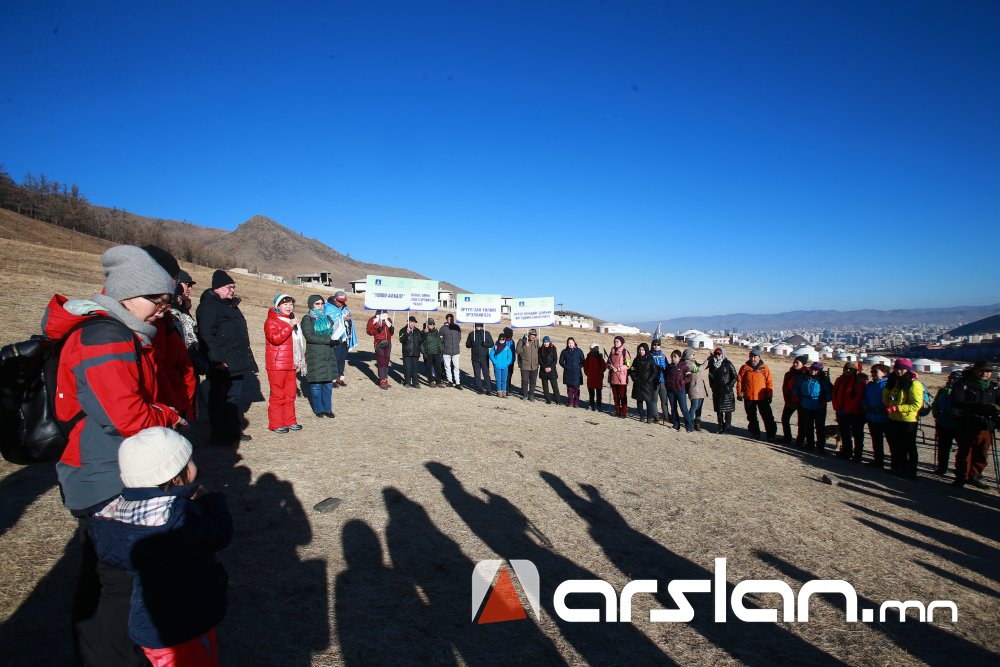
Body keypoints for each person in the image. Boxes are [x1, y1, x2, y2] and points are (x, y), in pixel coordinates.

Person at [44, 245, 184, 666]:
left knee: (103, 575)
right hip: (105, 474)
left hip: (104, 467)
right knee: (117, 583)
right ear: (127, 294)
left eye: (167, 302)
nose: (162, 310)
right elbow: (128, 416)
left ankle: (102, 653)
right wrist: (169, 415)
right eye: (157, 301)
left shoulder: (120, 332)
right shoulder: (106, 337)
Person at [90, 428, 231, 667]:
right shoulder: (180, 517)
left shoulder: (117, 514)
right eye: (190, 461)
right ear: (176, 477)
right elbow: (221, 533)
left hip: (149, 623)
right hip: (185, 624)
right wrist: (209, 499)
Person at [197, 270, 258, 447]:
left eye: (233, 287)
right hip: (221, 363)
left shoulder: (230, 306)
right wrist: (216, 359)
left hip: (236, 360)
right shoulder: (208, 307)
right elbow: (206, 335)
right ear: (217, 288)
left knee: (233, 398)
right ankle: (219, 435)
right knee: (219, 399)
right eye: (229, 287)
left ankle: (234, 430)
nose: (232, 290)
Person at [142, 246, 197, 422]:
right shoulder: (149, 322)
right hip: (165, 411)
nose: (177, 284)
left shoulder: (162, 317)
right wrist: (173, 412)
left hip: (175, 403)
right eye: (175, 278)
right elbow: (158, 371)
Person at [950, 360, 999, 488]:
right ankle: (961, 477)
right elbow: (957, 402)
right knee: (965, 452)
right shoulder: (963, 384)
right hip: (966, 423)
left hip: (985, 425)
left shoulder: (993, 387)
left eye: (988, 371)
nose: (984, 373)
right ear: (974, 370)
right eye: (981, 370)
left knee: (982, 452)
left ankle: (974, 475)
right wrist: (980, 408)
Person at [264, 294, 304, 433]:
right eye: (285, 304)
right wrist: (289, 326)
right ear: (278, 306)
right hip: (277, 364)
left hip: (291, 363)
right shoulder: (271, 321)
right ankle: (276, 424)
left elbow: (297, 342)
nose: (289, 307)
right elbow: (275, 338)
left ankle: (290, 421)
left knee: (290, 394)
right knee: (278, 395)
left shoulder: (291, 320)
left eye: (291, 304)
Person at [882, 358, 925, 478]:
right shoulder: (894, 382)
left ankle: (911, 470)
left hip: (908, 420)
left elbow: (916, 405)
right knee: (896, 445)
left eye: (902, 369)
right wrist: (886, 401)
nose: (899, 371)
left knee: (909, 446)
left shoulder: (914, 384)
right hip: (893, 418)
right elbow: (888, 394)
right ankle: (898, 467)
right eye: (897, 368)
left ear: (908, 370)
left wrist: (897, 408)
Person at [301, 295, 337, 417]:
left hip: (328, 354)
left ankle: (327, 409)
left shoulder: (328, 318)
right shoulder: (307, 319)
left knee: (328, 384)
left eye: (322, 303)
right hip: (315, 354)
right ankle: (318, 409)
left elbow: (335, 333)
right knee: (316, 384)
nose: (320, 306)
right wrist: (329, 340)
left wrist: (338, 340)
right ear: (311, 305)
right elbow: (310, 336)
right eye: (317, 304)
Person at [736, 348, 777, 442]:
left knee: (768, 417)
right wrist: (739, 393)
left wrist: (769, 395)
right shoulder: (744, 368)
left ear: (759, 357)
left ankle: (771, 435)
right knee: (751, 417)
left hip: (762, 397)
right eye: (751, 356)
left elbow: (769, 382)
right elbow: (739, 381)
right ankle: (755, 433)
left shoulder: (764, 368)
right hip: (749, 397)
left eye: (755, 357)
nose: (753, 359)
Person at [832, 361, 867, 461]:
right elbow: (834, 394)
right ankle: (846, 452)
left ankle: (857, 455)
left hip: (856, 413)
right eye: (846, 368)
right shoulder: (839, 380)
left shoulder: (859, 382)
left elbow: (858, 398)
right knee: (845, 434)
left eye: (850, 369)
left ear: (855, 371)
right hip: (841, 411)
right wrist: (836, 407)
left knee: (857, 435)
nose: (847, 370)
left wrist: (847, 410)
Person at [795, 362, 833, 453]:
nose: (813, 371)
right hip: (805, 405)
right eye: (812, 369)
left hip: (819, 406)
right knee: (808, 427)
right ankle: (810, 445)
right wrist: (796, 395)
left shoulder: (823, 380)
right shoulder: (803, 378)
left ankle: (820, 447)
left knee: (820, 428)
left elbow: (831, 392)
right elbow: (796, 387)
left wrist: (826, 399)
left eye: (816, 370)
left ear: (820, 371)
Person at [323, 291, 357, 387]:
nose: (341, 303)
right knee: (334, 358)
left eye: (343, 301)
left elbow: (348, 319)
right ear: (335, 299)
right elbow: (328, 320)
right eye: (339, 301)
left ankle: (339, 377)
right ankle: (332, 379)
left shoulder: (345, 308)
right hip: (334, 337)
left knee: (342, 358)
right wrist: (342, 318)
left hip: (344, 337)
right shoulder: (327, 307)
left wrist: (349, 320)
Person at [930, 371, 962, 475]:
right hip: (943, 422)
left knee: (961, 448)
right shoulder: (942, 391)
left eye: (954, 379)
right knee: (943, 447)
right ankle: (942, 467)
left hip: (957, 423)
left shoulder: (963, 391)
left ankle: (960, 470)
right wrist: (936, 414)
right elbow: (935, 404)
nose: (951, 380)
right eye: (950, 378)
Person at [862, 364, 891, 468]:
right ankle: (878, 460)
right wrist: (865, 405)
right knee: (876, 440)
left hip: (886, 418)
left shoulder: (888, 385)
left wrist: (882, 408)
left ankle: (896, 463)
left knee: (891, 442)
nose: (873, 373)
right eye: (872, 371)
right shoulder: (870, 385)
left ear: (884, 373)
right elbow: (864, 397)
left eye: (875, 371)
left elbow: (892, 400)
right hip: (872, 417)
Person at [707, 347, 737, 434]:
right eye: (716, 354)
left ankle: (727, 428)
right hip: (717, 391)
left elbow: (735, 376)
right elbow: (710, 376)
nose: (717, 355)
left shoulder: (728, 363)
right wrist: (712, 386)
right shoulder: (712, 364)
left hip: (727, 391)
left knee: (727, 411)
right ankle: (720, 426)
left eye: (719, 354)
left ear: (723, 354)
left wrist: (729, 386)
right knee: (718, 410)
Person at [780, 356, 808, 444]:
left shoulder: (807, 374)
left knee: (801, 422)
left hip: (802, 402)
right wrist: (787, 401)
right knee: (785, 419)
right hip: (790, 401)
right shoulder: (789, 374)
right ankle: (787, 437)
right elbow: (785, 388)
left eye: (797, 363)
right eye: (794, 362)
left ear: (803, 364)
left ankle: (800, 440)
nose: (795, 364)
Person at [629, 343, 659, 423]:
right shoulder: (636, 360)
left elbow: (655, 371)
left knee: (649, 401)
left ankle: (649, 417)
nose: (641, 351)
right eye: (639, 350)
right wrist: (634, 378)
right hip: (638, 383)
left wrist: (649, 380)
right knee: (639, 400)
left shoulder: (650, 359)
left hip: (647, 385)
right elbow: (632, 369)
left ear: (646, 350)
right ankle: (642, 416)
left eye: (642, 350)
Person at [664, 350, 693, 432]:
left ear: (679, 358)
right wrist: (667, 384)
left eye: (675, 357)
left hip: (680, 390)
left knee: (684, 408)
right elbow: (666, 376)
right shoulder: (669, 367)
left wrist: (682, 381)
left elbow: (689, 377)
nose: (673, 358)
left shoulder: (684, 366)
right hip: (671, 390)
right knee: (673, 408)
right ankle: (676, 425)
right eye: (672, 357)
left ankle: (689, 427)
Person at [365, 310, 394, 389]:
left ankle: (385, 379)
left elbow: (391, 333)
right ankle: (382, 380)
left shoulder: (388, 320)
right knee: (381, 362)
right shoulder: (373, 320)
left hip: (388, 343)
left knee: (386, 362)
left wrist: (392, 330)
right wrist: (377, 330)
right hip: (379, 342)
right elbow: (368, 331)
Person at [465, 322, 494, 393]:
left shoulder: (486, 333)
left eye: (479, 326)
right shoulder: (472, 334)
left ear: (482, 326)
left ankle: (488, 389)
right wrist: (471, 344)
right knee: (477, 374)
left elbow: (491, 344)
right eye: (476, 326)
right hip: (475, 357)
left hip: (484, 357)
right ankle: (479, 388)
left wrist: (486, 344)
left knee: (486, 373)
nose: (478, 327)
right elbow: (467, 345)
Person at [607, 336, 631, 417]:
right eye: (614, 341)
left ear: (621, 342)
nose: (615, 343)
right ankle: (617, 411)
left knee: (622, 395)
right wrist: (609, 366)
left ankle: (624, 412)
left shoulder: (625, 352)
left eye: (617, 341)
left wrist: (617, 369)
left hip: (622, 378)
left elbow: (628, 365)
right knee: (615, 396)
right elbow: (608, 362)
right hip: (613, 377)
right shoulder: (612, 351)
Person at [559, 337, 586, 408]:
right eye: (569, 343)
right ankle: (570, 402)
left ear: (574, 343)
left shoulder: (579, 351)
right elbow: (561, 361)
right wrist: (566, 367)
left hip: (577, 373)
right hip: (568, 373)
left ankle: (576, 403)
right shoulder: (564, 351)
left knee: (576, 389)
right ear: (567, 344)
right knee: (569, 389)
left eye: (571, 343)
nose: (570, 344)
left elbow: (583, 361)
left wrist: (579, 367)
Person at [687, 352, 710, 431]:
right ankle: (689, 422)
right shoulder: (688, 364)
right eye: (692, 354)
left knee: (699, 407)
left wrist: (710, 361)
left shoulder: (694, 363)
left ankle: (697, 423)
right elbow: (699, 369)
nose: (694, 356)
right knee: (694, 406)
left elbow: (703, 366)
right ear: (687, 355)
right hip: (694, 389)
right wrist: (707, 360)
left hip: (700, 389)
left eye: (694, 354)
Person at [516, 328, 541, 401]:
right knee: (525, 381)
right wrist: (524, 346)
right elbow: (517, 351)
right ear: (529, 335)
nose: (533, 336)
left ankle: (531, 395)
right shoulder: (522, 341)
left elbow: (539, 352)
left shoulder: (537, 341)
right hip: (525, 365)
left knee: (533, 381)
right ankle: (525, 395)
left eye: (534, 335)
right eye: (532, 335)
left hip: (534, 366)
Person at [398, 316, 424, 388]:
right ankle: (407, 382)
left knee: (415, 369)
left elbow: (421, 340)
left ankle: (415, 383)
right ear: (408, 322)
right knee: (407, 368)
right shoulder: (403, 330)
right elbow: (401, 340)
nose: (412, 324)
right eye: (411, 322)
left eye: (414, 322)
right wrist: (406, 333)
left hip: (415, 353)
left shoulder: (417, 331)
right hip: (407, 353)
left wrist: (425, 334)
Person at [440, 313, 463, 389]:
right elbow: (440, 339)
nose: (449, 320)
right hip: (446, 351)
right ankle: (450, 381)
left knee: (456, 367)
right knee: (447, 367)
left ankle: (457, 383)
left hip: (456, 351)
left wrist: (455, 344)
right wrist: (445, 345)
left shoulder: (457, 327)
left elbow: (459, 337)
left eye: (451, 319)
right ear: (446, 319)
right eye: (448, 319)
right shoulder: (443, 328)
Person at [421, 318, 445, 387]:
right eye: (430, 324)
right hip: (428, 353)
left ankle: (438, 382)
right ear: (427, 325)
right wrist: (424, 353)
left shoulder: (437, 332)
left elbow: (441, 342)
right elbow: (421, 343)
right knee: (429, 368)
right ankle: (430, 381)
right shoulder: (423, 332)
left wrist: (441, 350)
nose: (431, 325)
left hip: (437, 353)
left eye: (433, 324)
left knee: (438, 368)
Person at [584, 343, 607, 412]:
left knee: (598, 393)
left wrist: (600, 373)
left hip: (598, 378)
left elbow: (604, 367)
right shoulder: (588, 357)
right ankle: (591, 405)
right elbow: (585, 366)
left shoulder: (600, 357)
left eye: (591, 349)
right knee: (591, 393)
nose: (590, 350)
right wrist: (587, 373)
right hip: (590, 377)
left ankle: (598, 406)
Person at [650, 340, 669, 425]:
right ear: (652, 345)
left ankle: (666, 416)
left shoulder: (663, 356)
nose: (656, 346)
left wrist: (664, 368)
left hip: (662, 380)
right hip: (653, 381)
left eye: (658, 345)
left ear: (660, 346)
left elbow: (667, 367)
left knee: (664, 399)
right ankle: (656, 417)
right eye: (654, 344)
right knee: (654, 399)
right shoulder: (649, 355)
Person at [489, 332, 513, 398]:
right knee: (498, 380)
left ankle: (504, 392)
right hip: (497, 366)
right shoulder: (495, 347)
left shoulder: (507, 348)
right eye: (500, 339)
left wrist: (507, 363)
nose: (501, 340)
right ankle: (499, 391)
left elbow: (510, 356)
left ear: (505, 340)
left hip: (505, 366)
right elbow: (491, 355)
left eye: (503, 339)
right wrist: (495, 362)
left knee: (504, 380)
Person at [539, 336, 560, 404]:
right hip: (543, 370)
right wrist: (544, 367)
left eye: (547, 342)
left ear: (549, 342)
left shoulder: (553, 348)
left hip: (552, 370)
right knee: (545, 387)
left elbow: (555, 360)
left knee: (555, 387)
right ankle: (548, 400)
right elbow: (540, 360)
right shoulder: (540, 349)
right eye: (545, 342)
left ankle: (558, 400)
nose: (546, 343)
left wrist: (550, 367)